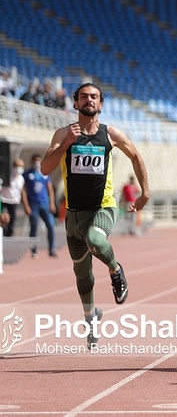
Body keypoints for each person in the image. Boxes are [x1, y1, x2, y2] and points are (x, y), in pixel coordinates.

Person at [40, 82, 149, 349]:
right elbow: (45, 168)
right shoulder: (63, 133)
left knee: (96, 241)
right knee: (82, 274)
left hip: (103, 208)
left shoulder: (110, 134)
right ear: (75, 103)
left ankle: (116, 270)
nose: (89, 100)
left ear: (101, 104)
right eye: (84, 97)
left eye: (94, 97)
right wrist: (66, 142)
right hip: (74, 215)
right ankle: (91, 319)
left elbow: (136, 156)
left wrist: (145, 192)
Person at [21, 154, 57, 257]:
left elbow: (49, 188)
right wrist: (26, 206)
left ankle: (52, 249)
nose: (37, 163)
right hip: (33, 204)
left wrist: (52, 203)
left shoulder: (45, 173)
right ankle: (33, 250)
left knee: (50, 225)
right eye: (35, 161)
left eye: (39, 161)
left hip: (45, 204)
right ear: (32, 162)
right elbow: (23, 190)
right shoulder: (27, 174)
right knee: (34, 227)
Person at [1, 159, 25, 237]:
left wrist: (26, 205)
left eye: (21, 167)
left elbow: (21, 191)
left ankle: (9, 236)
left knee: (12, 221)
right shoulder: (7, 175)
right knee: (4, 220)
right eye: (17, 166)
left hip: (14, 202)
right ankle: (3, 235)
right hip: (5, 201)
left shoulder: (21, 178)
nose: (19, 168)